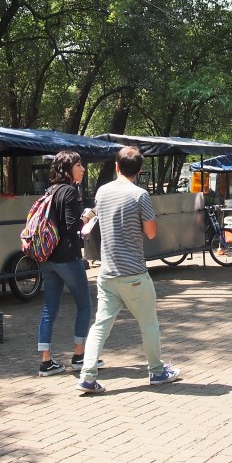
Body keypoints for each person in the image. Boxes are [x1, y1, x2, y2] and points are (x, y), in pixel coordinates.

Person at [76, 147, 181, 395]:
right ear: (140, 170)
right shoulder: (140, 195)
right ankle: (157, 372)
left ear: (116, 166)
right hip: (133, 273)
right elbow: (151, 232)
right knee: (149, 324)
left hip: (107, 273)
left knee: (100, 325)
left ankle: (87, 376)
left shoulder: (102, 191)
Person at [36, 150, 97, 377]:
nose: (83, 169)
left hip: (48, 257)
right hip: (67, 258)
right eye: (78, 165)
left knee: (49, 308)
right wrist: (88, 216)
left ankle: (46, 362)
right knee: (85, 304)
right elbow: (72, 226)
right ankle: (79, 356)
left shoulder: (50, 190)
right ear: (68, 168)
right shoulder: (69, 191)